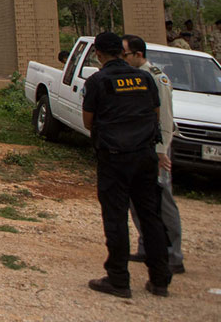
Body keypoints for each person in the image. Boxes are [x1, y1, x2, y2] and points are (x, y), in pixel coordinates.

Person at [82, 31, 170, 298]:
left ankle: (118, 279)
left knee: (116, 217)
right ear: (121, 51)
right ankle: (160, 279)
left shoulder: (98, 81)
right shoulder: (146, 77)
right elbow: (155, 114)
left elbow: (88, 121)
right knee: (151, 217)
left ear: (98, 54)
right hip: (145, 156)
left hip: (115, 158)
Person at [121, 35, 184, 275]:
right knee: (138, 200)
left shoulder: (156, 77)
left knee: (163, 200)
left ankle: (173, 254)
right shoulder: (133, 77)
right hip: (139, 147)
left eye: (125, 54)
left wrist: (161, 151)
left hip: (157, 149)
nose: (122, 59)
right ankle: (146, 246)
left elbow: (165, 118)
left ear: (138, 55)